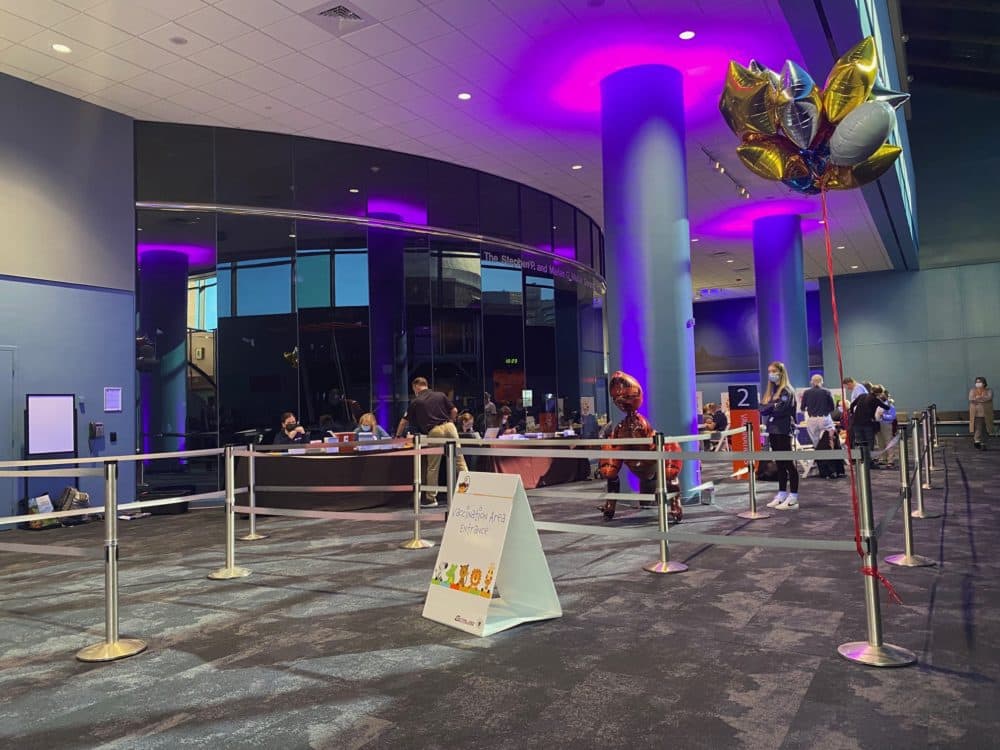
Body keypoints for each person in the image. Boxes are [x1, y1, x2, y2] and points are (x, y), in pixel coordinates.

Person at [395, 377, 468, 506]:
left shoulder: (416, 402)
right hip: (450, 427)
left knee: (433, 466)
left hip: (435, 432)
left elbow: (403, 421)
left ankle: (431, 498)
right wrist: (451, 421)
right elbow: (454, 410)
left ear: (416, 387)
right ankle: (467, 491)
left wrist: (397, 436)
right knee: (460, 461)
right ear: (426, 385)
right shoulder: (440, 395)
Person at [761, 361, 799, 510]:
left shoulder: (786, 391)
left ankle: (794, 496)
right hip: (773, 429)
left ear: (781, 373)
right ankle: (782, 493)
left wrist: (770, 407)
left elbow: (780, 410)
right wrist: (771, 406)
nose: (771, 374)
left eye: (773, 371)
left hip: (783, 429)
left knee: (789, 463)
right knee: (780, 463)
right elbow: (762, 409)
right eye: (769, 371)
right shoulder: (773, 391)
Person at [849, 387, 890, 463]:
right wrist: (886, 400)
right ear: (879, 393)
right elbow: (887, 407)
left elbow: (852, 405)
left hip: (856, 423)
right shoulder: (875, 400)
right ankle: (868, 461)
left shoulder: (862, 395)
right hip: (868, 423)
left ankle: (860, 460)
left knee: (859, 442)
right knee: (869, 442)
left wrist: (852, 414)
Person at [801, 374, 836, 447]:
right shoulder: (826, 391)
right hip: (824, 418)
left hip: (812, 419)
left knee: (815, 440)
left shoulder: (806, 392)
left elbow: (802, 408)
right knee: (830, 438)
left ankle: (818, 454)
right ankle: (830, 453)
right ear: (822, 382)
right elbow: (833, 407)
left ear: (811, 382)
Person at [873, 386, 898, 468]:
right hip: (877, 424)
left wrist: (883, 416)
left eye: (882, 395)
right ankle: (883, 459)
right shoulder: (876, 403)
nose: (880, 396)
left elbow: (893, 416)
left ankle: (890, 460)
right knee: (880, 442)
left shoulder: (890, 405)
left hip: (886, 424)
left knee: (889, 442)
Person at [969, 377, 994, 450]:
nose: (978, 383)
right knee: (978, 428)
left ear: (984, 383)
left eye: (980, 382)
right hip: (977, 414)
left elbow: (989, 397)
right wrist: (981, 398)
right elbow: (971, 398)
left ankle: (984, 443)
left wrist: (978, 398)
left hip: (987, 414)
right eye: (977, 382)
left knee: (986, 429)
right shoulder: (973, 390)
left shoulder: (989, 390)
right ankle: (977, 441)